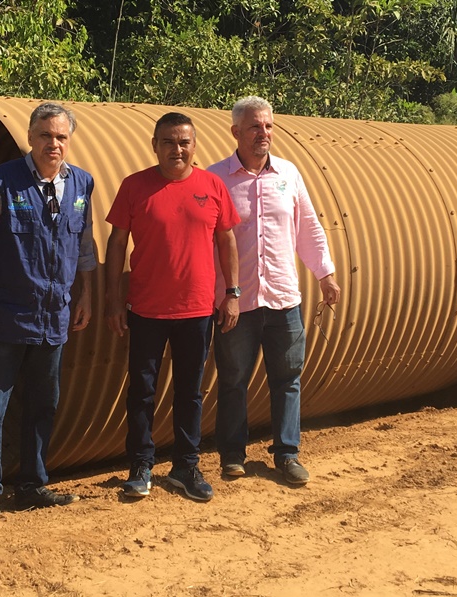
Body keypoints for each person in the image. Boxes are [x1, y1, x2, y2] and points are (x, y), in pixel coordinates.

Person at [0, 103, 94, 519]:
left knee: (42, 404)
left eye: (61, 137)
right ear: (30, 137)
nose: (53, 144)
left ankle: (32, 485)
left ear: (69, 141)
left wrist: (85, 294)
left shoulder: (82, 184)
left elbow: (84, 246)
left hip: (54, 317)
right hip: (4, 315)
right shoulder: (0, 181)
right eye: (45, 136)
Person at [105, 112, 240, 502]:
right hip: (145, 309)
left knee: (190, 391)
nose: (176, 149)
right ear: (155, 145)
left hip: (197, 310)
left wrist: (232, 292)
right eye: (168, 141)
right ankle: (141, 466)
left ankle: (185, 465)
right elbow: (117, 244)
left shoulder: (212, 186)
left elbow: (227, 240)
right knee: (142, 391)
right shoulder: (135, 186)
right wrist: (114, 300)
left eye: (183, 142)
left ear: (194, 146)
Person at [207, 96, 341, 485]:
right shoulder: (216, 179)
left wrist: (325, 274)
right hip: (237, 301)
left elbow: (308, 228)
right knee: (232, 380)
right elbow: (206, 239)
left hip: (284, 299)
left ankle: (287, 454)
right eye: (254, 127)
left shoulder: (289, 174)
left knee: (287, 378)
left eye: (268, 126)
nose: (263, 133)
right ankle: (232, 455)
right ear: (236, 132)